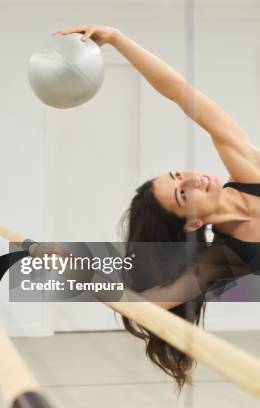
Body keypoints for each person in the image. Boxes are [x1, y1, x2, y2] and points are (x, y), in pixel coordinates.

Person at [55, 24, 259, 391]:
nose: (194, 180)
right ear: (193, 222)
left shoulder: (250, 171)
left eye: (179, 174)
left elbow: (181, 93)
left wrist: (117, 39)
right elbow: (142, 306)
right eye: (184, 194)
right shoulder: (224, 257)